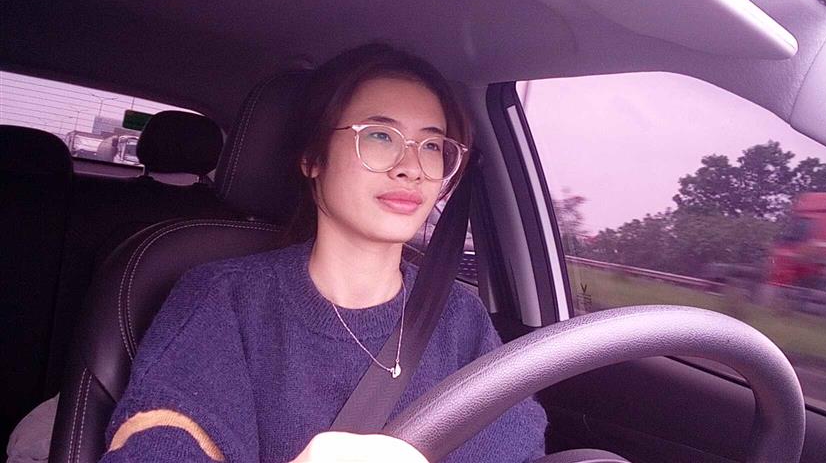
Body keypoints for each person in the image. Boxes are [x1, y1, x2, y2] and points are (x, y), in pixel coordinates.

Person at [98, 44, 548, 462]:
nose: (412, 168)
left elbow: (519, 448)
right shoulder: (225, 298)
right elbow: (164, 437)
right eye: (380, 135)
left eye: (431, 145)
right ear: (313, 158)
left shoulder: (459, 318)